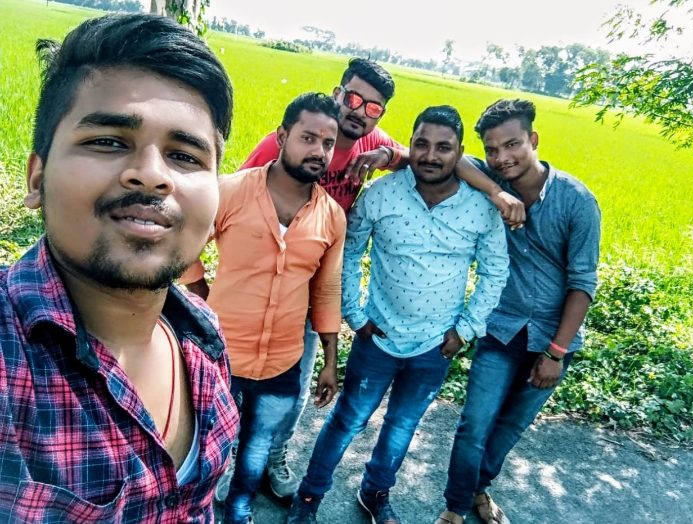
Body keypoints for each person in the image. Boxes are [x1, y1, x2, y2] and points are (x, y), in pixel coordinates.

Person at [238, 58, 525, 501]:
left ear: (380, 115)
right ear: (337, 93)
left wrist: (491, 190)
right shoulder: (292, 141)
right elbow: (226, 204)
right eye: (353, 98)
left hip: (315, 291)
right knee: (238, 381)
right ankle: (231, 470)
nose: (359, 111)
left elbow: (436, 159)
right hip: (260, 285)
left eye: (372, 107)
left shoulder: (374, 143)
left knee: (293, 386)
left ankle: (272, 459)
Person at [0, 14, 238, 522]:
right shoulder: (10, 360)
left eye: (185, 156)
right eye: (108, 141)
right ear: (37, 179)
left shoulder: (204, 336)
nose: (151, 175)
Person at [286, 105, 510, 524]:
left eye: (443, 147)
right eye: (421, 144)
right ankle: (309, 497)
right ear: (410, 144)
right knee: (347, 420)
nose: (430, 155)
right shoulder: (381, 194)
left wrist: (465, 330)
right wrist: (356, 315)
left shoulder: (480, 208)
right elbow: (348, 252)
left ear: (460, 152)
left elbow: (495, 271)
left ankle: (375, 492)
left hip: (435, 346)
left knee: (402, 426)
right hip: (378, 337)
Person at [181, 92, 346, 524]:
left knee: (256, 447)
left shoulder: (331, 216)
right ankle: (196, 508)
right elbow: (185, 245)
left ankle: (239, 508)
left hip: (283, 359)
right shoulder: (231, 191)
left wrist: (330, 360)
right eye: (308, 138)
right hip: (221, 352)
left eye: (328, 143)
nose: (319, 150)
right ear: (283, 135)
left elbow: (326, 290)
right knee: (205, 440)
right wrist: (201, 294)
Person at [434, 99, 601, 524]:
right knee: (475, 424)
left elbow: (583, 283)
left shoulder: (576, 200)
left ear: (533, 140)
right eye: (492, 149)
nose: (502, 157)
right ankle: (455, 508)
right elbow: (451, 160)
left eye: (512, 145)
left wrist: (556, 353)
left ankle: (478, 490)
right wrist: (496, 192)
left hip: (551, 339)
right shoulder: (492, 179)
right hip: (501, 327)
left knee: (510, 427)